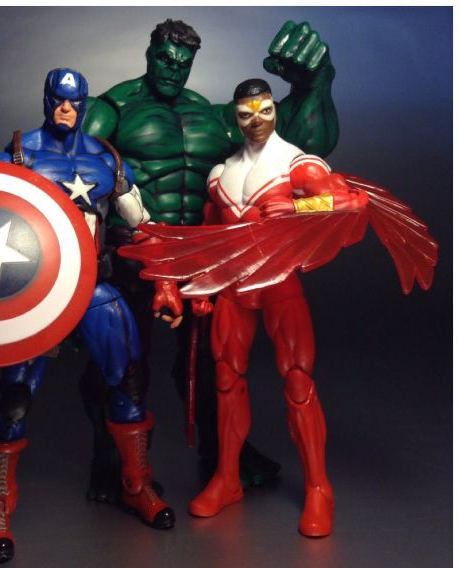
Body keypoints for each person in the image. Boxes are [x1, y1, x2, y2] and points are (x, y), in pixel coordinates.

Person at [81, 19, 340, 498]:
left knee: (208, 363)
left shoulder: (210, 115)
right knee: (122, 361)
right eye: (165, 59)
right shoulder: (112, 108)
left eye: (183, 63)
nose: (172, 70)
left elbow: (302, 144)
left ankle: (223, 457)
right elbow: (73, 173)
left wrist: (316, 84)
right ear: (149, 53)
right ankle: (111, 459)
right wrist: (77, 267)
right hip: (135, 251)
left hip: (201, 258)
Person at [122, 78, 371, 537]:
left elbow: (351, 204)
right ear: (235, 118)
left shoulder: (296, 163)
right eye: (246, 114)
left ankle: (319, 487)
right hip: (235, 289)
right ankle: (228, 478)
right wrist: (200, 287)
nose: (257, 121)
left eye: (264, 110)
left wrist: (299, 209)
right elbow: (212, 236)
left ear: (274, 109)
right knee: (225, 380)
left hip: (279, 284)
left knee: (298, 380)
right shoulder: (220, 174)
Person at [0, 68, 174, 565]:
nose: (65, 109)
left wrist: (167, 281)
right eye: (58, 100)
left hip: (91, 288)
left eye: (74, 101)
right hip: (36, 294)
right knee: (16, 398)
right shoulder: (17, 157)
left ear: (84, 104)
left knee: (129, 383)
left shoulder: (106, 159)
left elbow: (144, 225)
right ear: (46, 100)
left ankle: (137, 485)